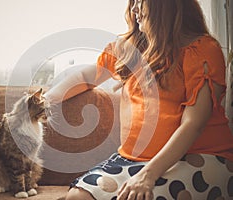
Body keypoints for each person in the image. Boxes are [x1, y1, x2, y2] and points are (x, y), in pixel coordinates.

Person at [44, 0, 233, 199]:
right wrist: (42, 102)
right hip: (133, 159)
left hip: (200, 157)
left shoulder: (202, 49)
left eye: (140, 2)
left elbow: (193, 123)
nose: (134, 9)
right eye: (132, 2)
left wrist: (148, 175)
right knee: (77, 197)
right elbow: (86, 78)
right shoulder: (129, 48)